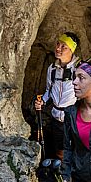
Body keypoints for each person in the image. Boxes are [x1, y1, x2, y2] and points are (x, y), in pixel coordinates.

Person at [35, 31, 80, 161]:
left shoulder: (79, 68)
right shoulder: (52, 69)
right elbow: (49, 89)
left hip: (73, 119)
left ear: (71, 50)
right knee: (60, 150)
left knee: (76, 150)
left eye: (63, 46)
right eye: (58, 44)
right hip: (56, 118)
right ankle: (61, 175)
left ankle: (73, 177)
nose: (58, 48)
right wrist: (42, 101)